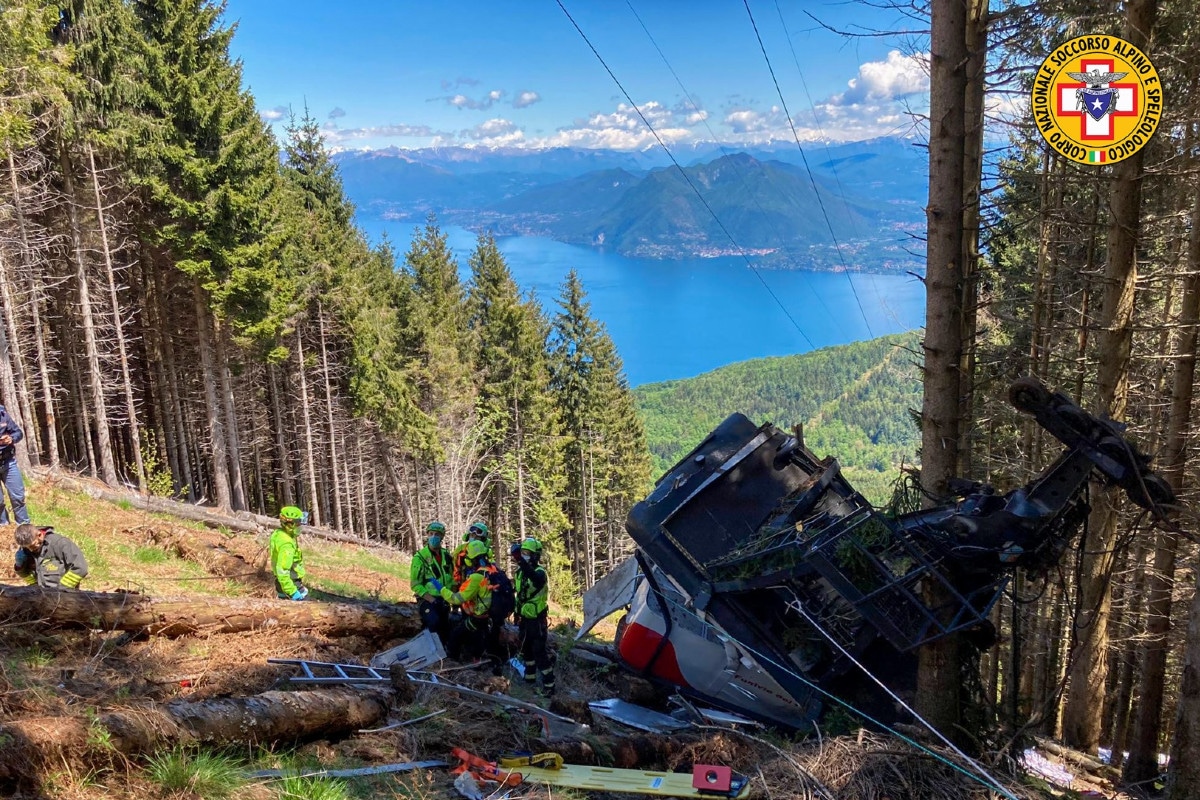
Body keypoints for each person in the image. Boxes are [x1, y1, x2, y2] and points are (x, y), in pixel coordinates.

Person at [441, 540, 500, 670]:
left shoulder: (476, 578)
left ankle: (452, 666)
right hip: (490, 617)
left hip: (479, 618)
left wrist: (442, 590)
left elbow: (457, 599)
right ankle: (480, 663)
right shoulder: (494, 571)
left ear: (470, 559)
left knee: (455, 637)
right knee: (478, 643)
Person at [513, 537, 554, 694]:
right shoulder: (519, 573)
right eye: (522, 552)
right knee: (526, 649)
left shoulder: (540, 572)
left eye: (527, 553)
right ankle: (529, 678)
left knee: (539, 652)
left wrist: (522, 562)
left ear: (536, 555)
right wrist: (516, 614)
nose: (524, 555)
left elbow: (536, 581)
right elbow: (520, 595)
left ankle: (549, 685)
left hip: (537, 620)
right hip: (524, 618)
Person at [410, 520, 453, 639]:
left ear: (442, 537)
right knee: (433, 623)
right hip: (427, 600)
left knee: (446, 629)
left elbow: (452, 578)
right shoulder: (420, 557)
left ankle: (445, 655)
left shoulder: (447, 556)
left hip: (444, 599)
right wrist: (432, 600)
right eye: (431, 534)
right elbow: (415, 584)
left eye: (437, 534)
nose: (434, 537)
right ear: (427, 535)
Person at [13, 524, 88, 590]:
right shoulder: (25, 548)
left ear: (39, 535)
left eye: (32, 546)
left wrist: (61, 589)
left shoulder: (60, 543)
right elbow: (28, 575)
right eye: (27, 547)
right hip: (41, 596)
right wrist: (20, 567)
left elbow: (80, 568)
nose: (30, 550)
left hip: (64, 595)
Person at [270, 506, 309, 600]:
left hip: (282, 584)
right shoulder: (286, 544)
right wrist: (293, 592)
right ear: (290, 525)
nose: (300, 526)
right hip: (291, 584)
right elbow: (282, 570)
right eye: (298, 523)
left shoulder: (279, 534)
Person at [0, 404, 30, 525]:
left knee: (18, 497)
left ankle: (24, 527)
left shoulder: (3, 414)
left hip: (8, 462)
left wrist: (11, 438)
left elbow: (18, 432)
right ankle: (3, 527)